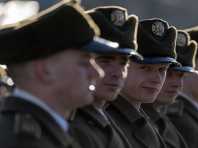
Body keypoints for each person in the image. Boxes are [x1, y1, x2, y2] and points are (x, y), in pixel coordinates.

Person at [0, 1, 120, 147]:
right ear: (45, 71)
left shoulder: (46, 131)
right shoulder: (23, 142)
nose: (98, 73)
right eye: (84, 62)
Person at [69, 6, 142, 148]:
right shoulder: (73, 125)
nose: (118, 73)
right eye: (105, 61)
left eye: (123, 63)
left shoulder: (104, 115)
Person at [106, 18, 178, 148]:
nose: (156, 79)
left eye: (162, 69)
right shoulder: (109, 121)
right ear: (125, 66)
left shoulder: (145, 119)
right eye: (145, 68)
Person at [142, 30, 198, 148]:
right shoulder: (141, 121)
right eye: (168, 73)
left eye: (181, 76)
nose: (177, 84)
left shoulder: (164, 120)